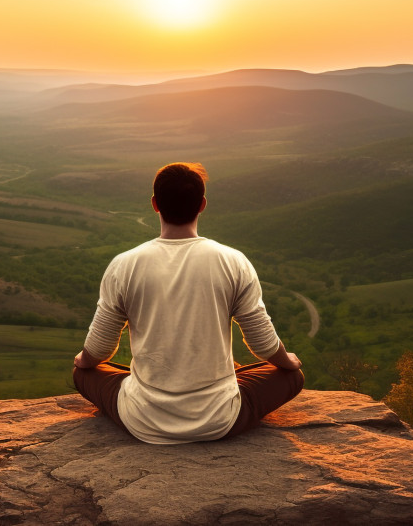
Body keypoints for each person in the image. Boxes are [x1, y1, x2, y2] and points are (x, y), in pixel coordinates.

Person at [72, 162, 304, 444]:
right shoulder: (233, 261)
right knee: (292, 377)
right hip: (219, 420)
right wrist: (288, 362)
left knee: (83, 373)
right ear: (202, 204)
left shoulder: (124, 265)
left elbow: (99, 350)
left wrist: (82, 361)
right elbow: (263, 345)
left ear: (155, 204)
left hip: (142, 419)